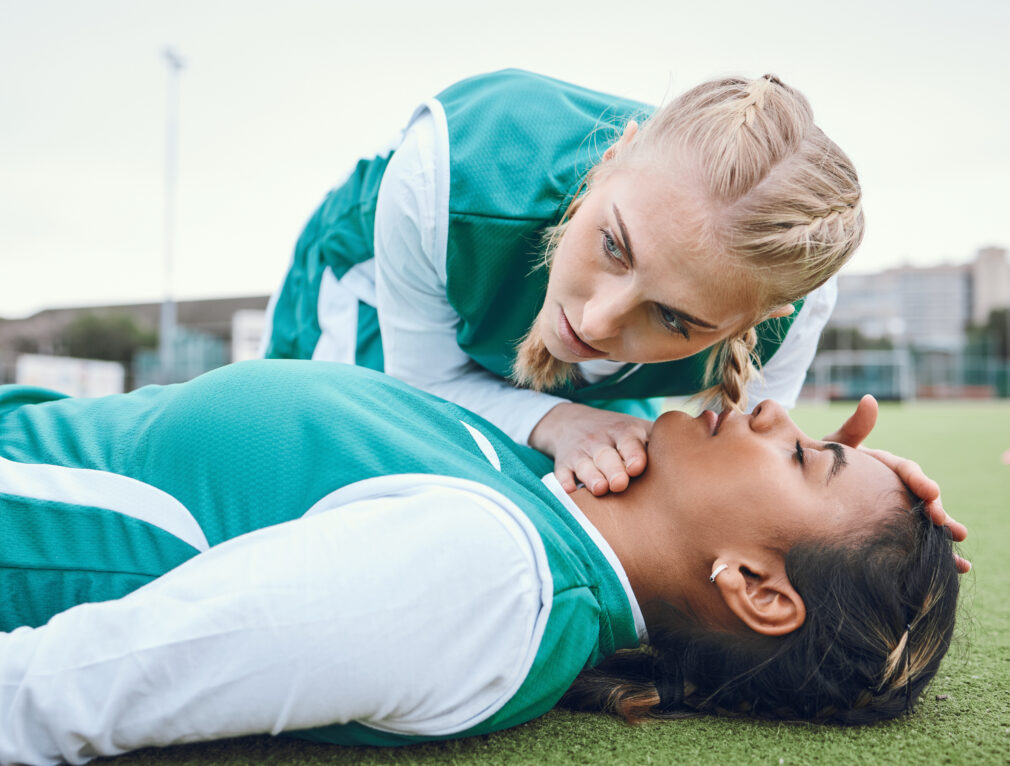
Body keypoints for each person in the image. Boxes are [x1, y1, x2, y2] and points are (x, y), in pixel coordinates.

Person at [0, 360, 961, 765]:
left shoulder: (486, 581)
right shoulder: (554, 489)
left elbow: (62, 690)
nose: (773, 411)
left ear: (754, 586)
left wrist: (827, 529)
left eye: (802, 455)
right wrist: (825, 513)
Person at [261, 68, 866, 496]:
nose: (597, 322)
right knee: (342, 482)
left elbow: (732, 484)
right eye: (613, 246)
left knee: (618, 485)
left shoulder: (795, 307)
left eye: (675, 318)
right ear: (611, 159)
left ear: (761, 320)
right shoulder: (446, 174)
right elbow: (424, 383)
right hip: (366, 290)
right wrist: (559, 422)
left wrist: (839, 501)